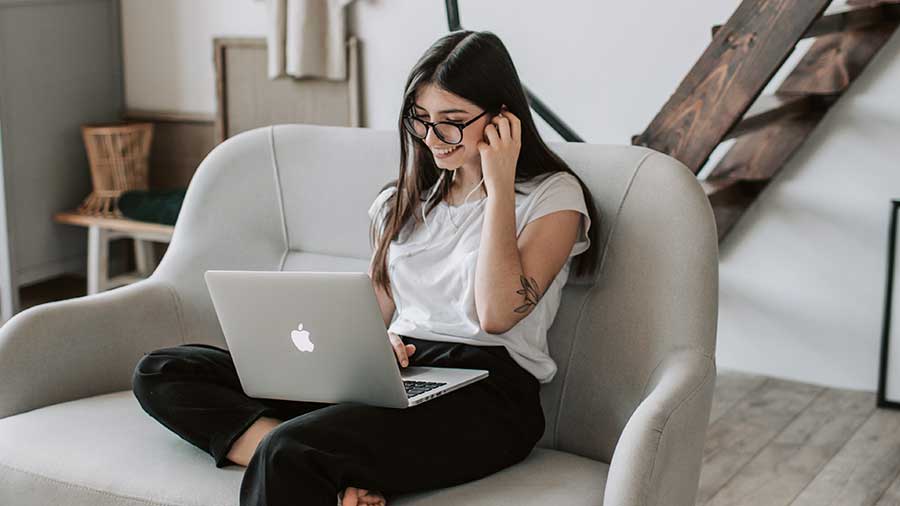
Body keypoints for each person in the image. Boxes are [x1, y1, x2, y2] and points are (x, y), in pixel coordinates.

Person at [131, 29, 600, 506]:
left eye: (452, 122)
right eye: (421, 120)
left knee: (289, 450)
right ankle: (316, 465)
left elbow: (497, 313)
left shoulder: (553, 197)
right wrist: (373, 347)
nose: (433, 139)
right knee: (163, 370)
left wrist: (499, 187)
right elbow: (376, 310)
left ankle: (300, 455)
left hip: (488, 397)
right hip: (399, 375)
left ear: (502, 119)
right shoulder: (400, 202)